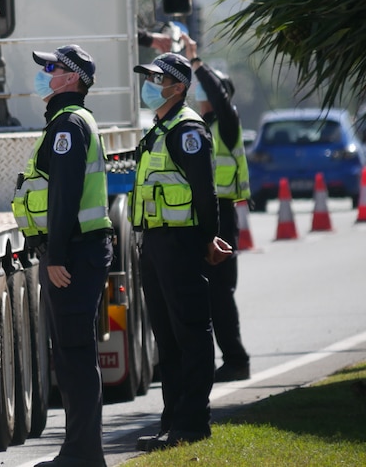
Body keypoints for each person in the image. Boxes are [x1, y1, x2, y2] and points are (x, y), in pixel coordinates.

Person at [11, 44, 113, 467]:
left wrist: (54, 257)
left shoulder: (68, 124)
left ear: (71, 78)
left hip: (73, 253)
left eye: (51, 68)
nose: (45, 74)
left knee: (74, 354)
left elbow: (65, 194)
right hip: (76, 250)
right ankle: (81, 451)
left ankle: (83, 453)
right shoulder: (65, 121)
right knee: (71, 354)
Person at [129, 52, 232, 451]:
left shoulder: (188, 129)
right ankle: (172, 420)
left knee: (190, 330)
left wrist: (209, 238)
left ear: (178, 86)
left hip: (181, 241)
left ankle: (193, 423)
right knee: (166, 337)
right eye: (149, 77)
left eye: (157, 79)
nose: (150, 84)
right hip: (155, 242)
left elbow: (205, 192)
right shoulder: (159, 128)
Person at [184, 35, 252, 383]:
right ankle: (221, 360)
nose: (201, 95)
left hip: (223, 214)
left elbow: (221, 100)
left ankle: (236, 360)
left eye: (206, 90)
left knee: (220, 294)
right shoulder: (203, 128)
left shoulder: (227, 122)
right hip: (210, 212)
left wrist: (197, 63)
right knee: (209, 293)